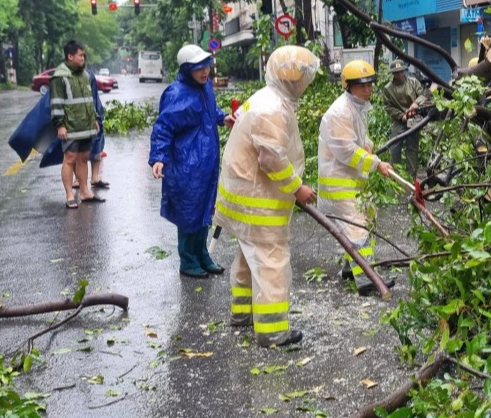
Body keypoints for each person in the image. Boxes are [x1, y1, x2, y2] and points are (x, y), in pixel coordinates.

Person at [215, 45, 318, 347]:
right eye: (303, 76)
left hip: (242, 197)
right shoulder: (273, 108)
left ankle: (242, 314)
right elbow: (271, 158)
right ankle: (273, 331)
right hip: (257, 200)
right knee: (271, 262)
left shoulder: (264, 97)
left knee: (248, 258)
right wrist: (297, 188)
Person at [149, 45, 235, 279]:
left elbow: (210, 111)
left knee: (205, 209)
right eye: (199, 69)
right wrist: (158, 157)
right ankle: (188, 260)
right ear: (187, 69)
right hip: (185, 164)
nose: (205, 72)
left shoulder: (205, 87)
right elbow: (163, 128)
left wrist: (223, 117)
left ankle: (202, 255)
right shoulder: (176, 93)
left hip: (206, 163)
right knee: (188, 212)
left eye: (206, 67)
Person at [318, 60, 396, 296]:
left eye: (370, 84)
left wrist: (369, 148)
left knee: (355, 224)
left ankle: (350, 269)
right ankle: (366, 279)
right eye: (362, 85)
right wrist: (375, 163)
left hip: (350, 179)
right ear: (348, 85)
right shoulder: (341, 111)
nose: (368, 89)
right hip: (339, 181)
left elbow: (359, 140)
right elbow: (346, 150)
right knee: (357, 227)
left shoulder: (356, 107)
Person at [52, 40, 103, 209]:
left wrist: (95, 118)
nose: (83, 58)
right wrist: (60, 125)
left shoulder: (85, 75)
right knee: (70, 159)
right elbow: (57, 103)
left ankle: (85, 191)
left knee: (83, 158)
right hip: (70, 127)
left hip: (86, 126)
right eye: (80, 55)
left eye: (83, 55)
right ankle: (69, 195)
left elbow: (90, 101)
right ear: (70, 56)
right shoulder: (60, 76)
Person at [381, 61, 430, 179]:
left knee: (412, 147)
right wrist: (401, 115)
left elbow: (424, 94)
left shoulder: (413, 82)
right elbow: (387, 106)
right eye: (396, 73)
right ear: (392, 73)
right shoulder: (388, 89)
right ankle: (395, 176)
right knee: (394, 146)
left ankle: (411, 177)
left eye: (401, 72)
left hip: (414, 119)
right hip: (399, 121)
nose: (399, 75)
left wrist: (416, 103)